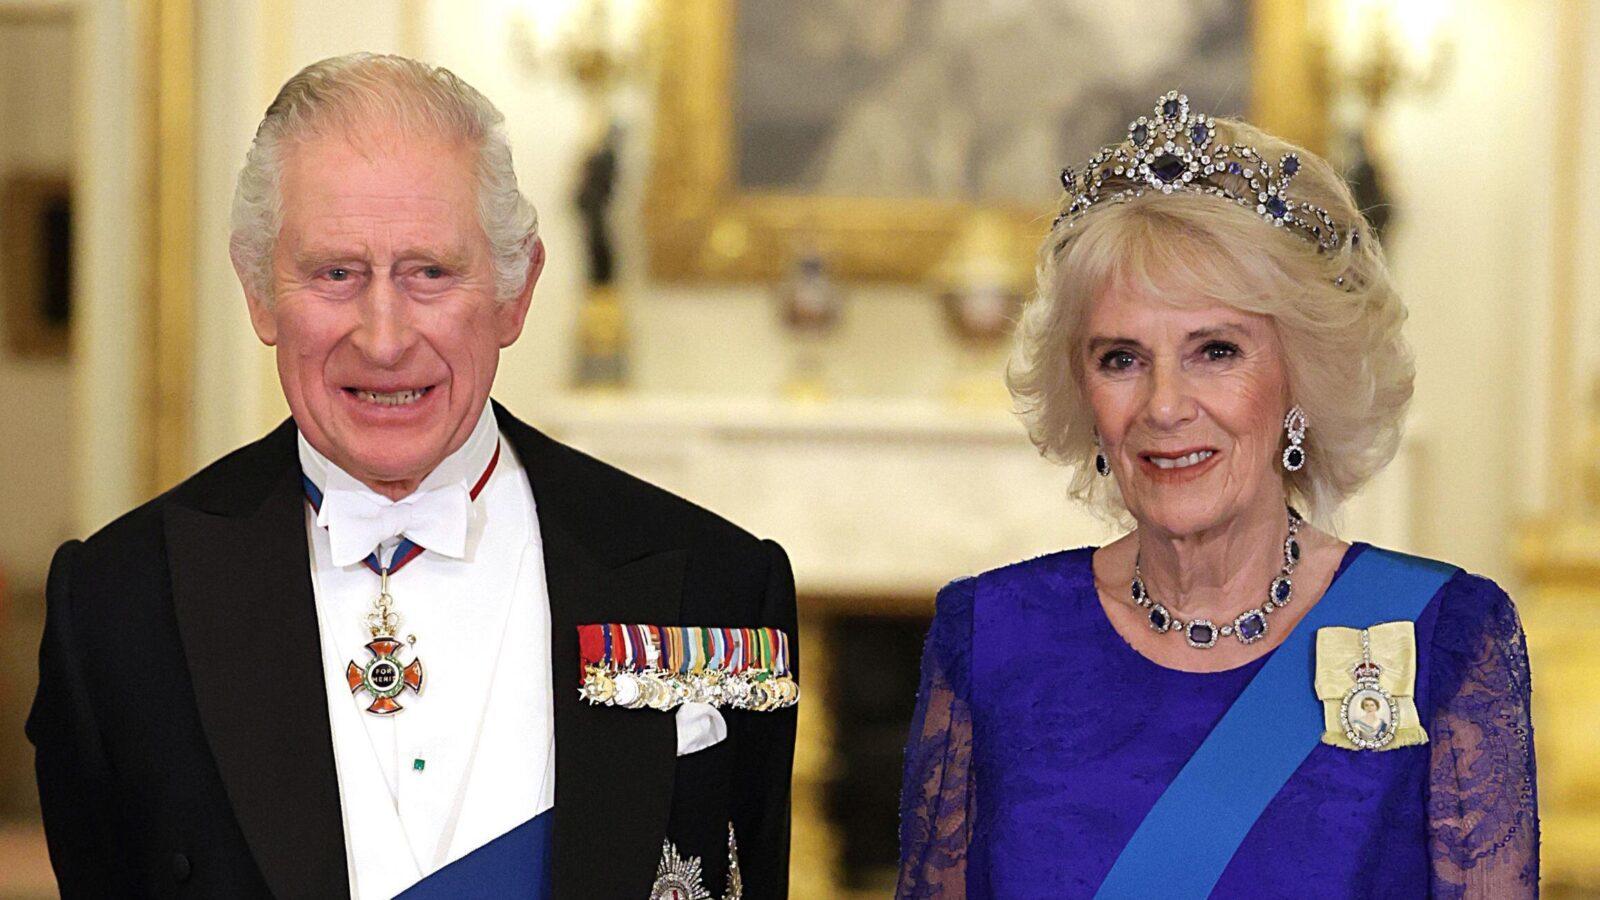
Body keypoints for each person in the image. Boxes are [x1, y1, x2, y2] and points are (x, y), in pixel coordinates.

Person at [29, 53, 797, 900]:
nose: (384, 338)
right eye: (335, 274)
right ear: (258, 293)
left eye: (430, 272)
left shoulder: (714, 584)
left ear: (515, 291)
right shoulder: (116, 606)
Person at [897, 92, 1537, 898]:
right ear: (1084, 392)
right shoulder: (989, 639)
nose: (1164, 406)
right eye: (1121, 358)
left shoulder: (1443, 638)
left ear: (1301, 375)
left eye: (1216, 351)